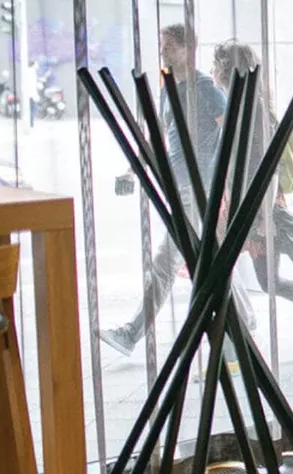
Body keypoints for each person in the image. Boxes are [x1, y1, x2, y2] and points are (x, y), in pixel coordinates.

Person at [101, 23, 230, 356]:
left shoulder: (203, 88)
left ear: (188, 49)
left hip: (195, 186)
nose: (164, 52)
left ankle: (131, 333)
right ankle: (244, 319)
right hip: (179, 185)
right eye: (162, 47)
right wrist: (132, 170)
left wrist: (222, 183)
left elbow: (228, 133)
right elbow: (159, 135)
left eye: (170, 47)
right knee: (210, 258)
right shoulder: (167, 88)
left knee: (166, 261)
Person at [210, 40, 293, 308]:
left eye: (216, 63)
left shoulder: (253, 107)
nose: (211, 69)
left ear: (227, 68)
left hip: (258, 203)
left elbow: (269, 164)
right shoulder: (237, 105)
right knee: (221, 267)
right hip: (243, 202)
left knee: (268, 281)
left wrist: (265, 214)